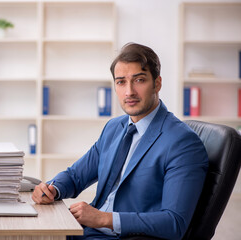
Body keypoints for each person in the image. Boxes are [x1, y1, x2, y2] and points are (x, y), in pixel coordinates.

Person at [32, 43, 208, 240]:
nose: (129, 92)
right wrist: (52, 189)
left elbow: (174, 222)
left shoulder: (182, 142)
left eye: (139, 80)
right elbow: (76, 176)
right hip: (86, 230)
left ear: (157, 83)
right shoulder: (114, 128)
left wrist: (104, 219)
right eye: (121, 82)